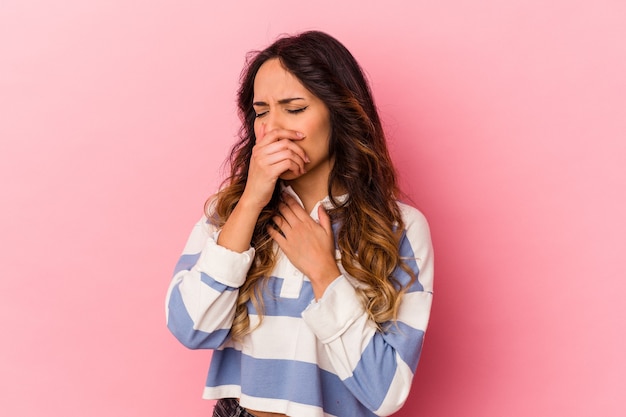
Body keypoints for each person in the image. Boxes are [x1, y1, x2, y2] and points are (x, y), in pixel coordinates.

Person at [165, 30, 434, 417]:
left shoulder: (400, 228)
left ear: (338, 113)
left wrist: (325, 272)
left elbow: (386, 392)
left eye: (294, 109)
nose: (273, 128)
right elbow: (190, 328)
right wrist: (252, 200)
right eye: (261, 112)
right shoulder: (230, 214)